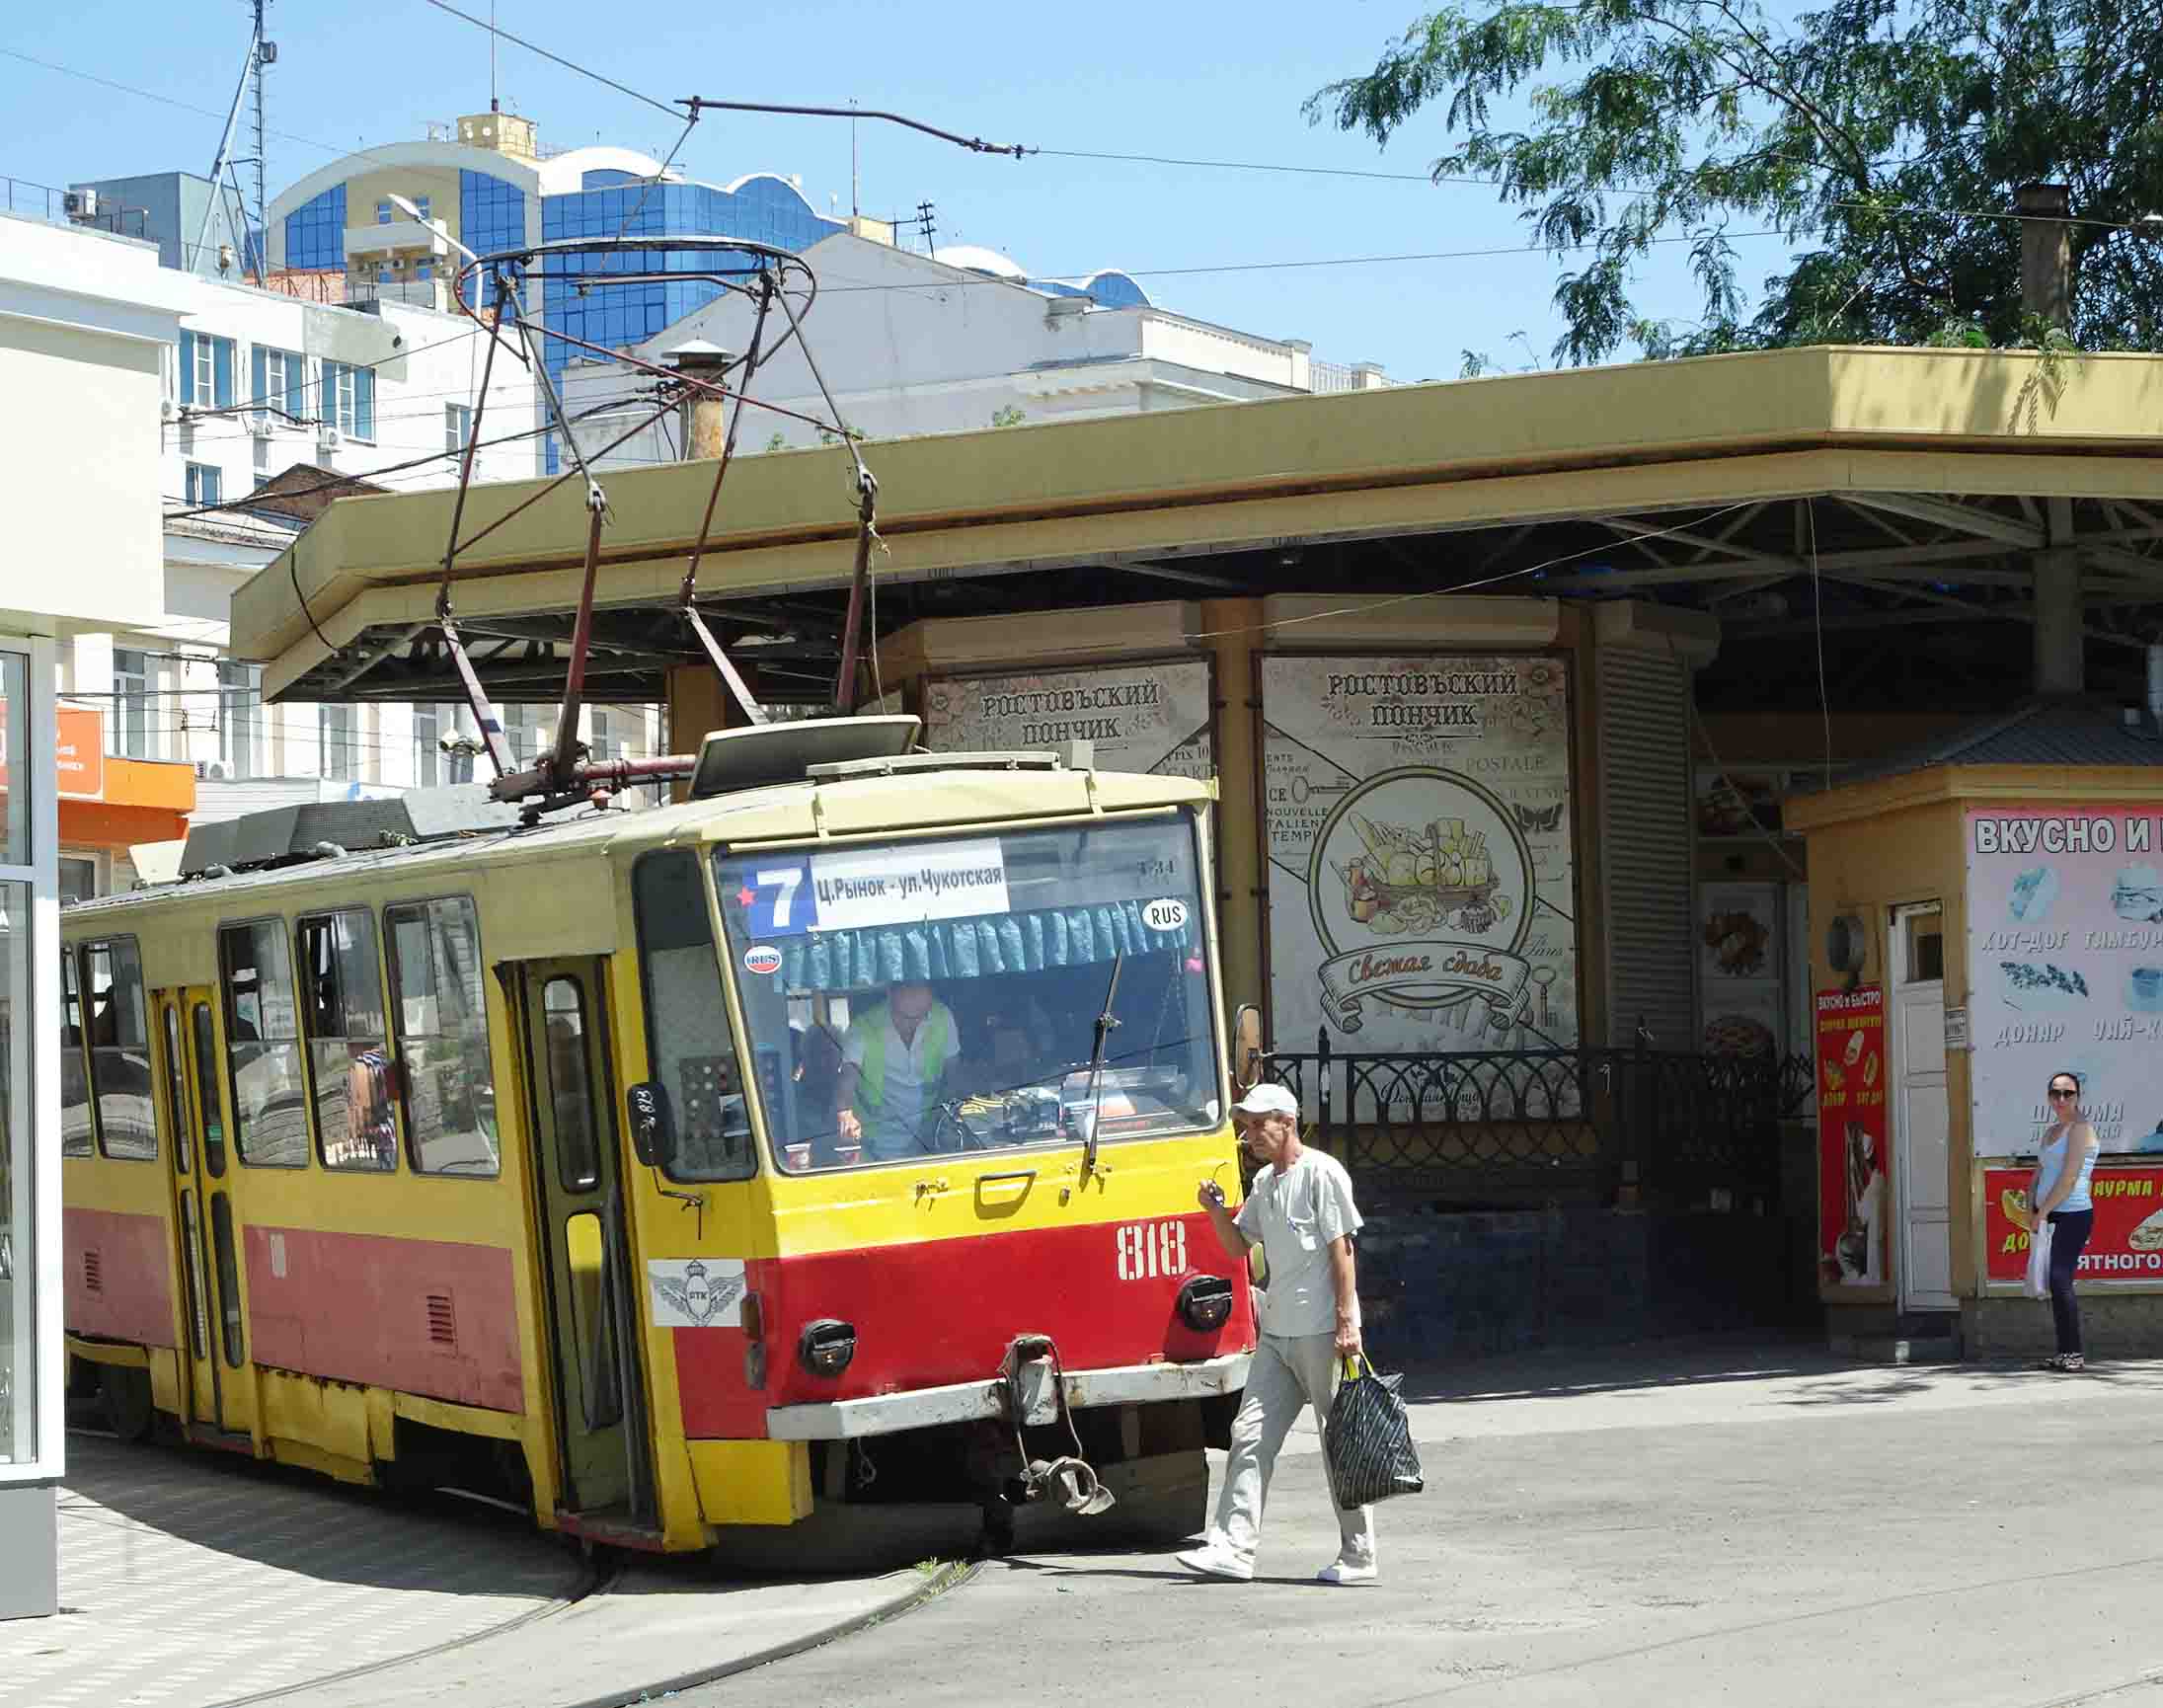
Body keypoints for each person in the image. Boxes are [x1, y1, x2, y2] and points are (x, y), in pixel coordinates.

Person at [1179, 1082, 1377, 1586]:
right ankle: (1233, 1549)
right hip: (1278, 1335)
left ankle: (1358, 1554)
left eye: (1256, 1124)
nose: (1248, 1136)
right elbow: (1236, 1247)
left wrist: (1347, 1319)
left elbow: (1342, 1251)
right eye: (1244, 1126)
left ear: (1286, 1122)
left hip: (1321, 1331)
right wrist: (1215, 1211)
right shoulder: (1265, 1183)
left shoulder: (1322, 1173)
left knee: (1339, 1443)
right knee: (1248, 1435)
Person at [834, 981, 964, 1161]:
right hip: (875, 1144)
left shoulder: (942, 1016)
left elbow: (954, 1074)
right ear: (890, 993)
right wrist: (844, 1113)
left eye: (920, 1017)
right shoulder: (863, 1027)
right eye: (904, 1018)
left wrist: (948, 1118)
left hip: (925, 1139)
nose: (912, 1024)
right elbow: (848, 1076)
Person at [2030, 1069, 2101, 1371]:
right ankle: (2063, 1352)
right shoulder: (2050, 1131)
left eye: (2067, 1093)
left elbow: (2069, 1178)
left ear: (2077, 1096)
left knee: (2060, 1279)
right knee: (2053, 1282)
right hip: (2048, 1213)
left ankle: (2074, 1353)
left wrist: (2043, 1211)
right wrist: (2030, 1205)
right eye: (2055, 1093)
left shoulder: (2081, 1129)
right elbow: (2040, 1171)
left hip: (2073, 1213)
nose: (2061, 1099)